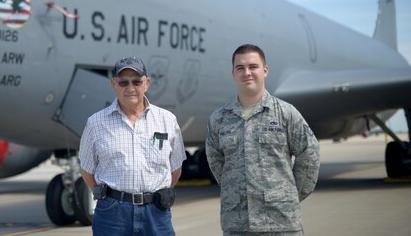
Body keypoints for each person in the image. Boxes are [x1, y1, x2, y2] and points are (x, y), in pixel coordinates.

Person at [205, 44, 320, 235]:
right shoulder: (219, 119)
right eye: (240, 68)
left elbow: (310, 156)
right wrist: (237, 192)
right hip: (238, 225)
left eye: (253, 67)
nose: (247, 73)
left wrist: (286, 195)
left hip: (281, 223)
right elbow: (217, 164)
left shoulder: (285, 113)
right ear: (233, 73)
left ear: (265, 71)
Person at [79, 56, 186, 235]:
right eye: (123, 82)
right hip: (113, 214)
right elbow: (87, 170)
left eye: (137, 81)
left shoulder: (167, 120)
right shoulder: (95, 123)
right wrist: (112, 198)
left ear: (147, 83)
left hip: (156, 213)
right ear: (113, 84)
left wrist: (153, 196)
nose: (130, 88)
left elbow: (175, 169)